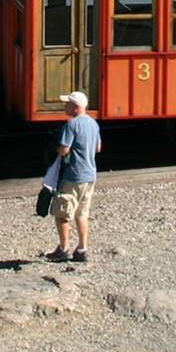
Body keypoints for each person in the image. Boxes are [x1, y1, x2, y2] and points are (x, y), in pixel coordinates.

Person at [48, 91, 102, 263]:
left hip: (73, 175)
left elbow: (64, 149)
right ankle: (82, 248)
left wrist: (59, 153)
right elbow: (98, 148)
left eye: (68, 103)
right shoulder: (93, 124)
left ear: (76, 107)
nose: (65, 106)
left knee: (62, 213)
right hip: (90, 174)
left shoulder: (71, 125)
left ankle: (64, 248)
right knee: (82, 213)